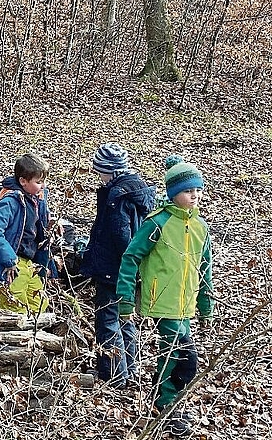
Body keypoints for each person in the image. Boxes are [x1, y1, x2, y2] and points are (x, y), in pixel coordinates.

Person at [116, 159, 214, 436]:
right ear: (173, 194)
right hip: (162, 300)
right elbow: (131, 257)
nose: (194, 195)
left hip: (186, 303)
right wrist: (125, 299)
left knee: (173, 355)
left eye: (198, 189)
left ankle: (166, 401)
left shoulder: (201, 227)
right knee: (183, 354)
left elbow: (205, 267)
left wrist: (206, 305)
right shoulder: (157, 223)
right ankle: (167, 405)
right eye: (187, 190)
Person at [79, 143, 156, 388]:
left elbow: (121, 237)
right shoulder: (137, 191)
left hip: (114, 269)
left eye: (100, 172)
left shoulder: (116, 198)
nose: (98, 178)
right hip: (130, 271)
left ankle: (114, 375)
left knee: (109, 321)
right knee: (126, 319)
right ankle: (130, 369)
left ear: (110, 171)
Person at [0, 153, 57, 315]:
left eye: (44, 181)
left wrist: (51, 223)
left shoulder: (35, 197)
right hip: (12, 261)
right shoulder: (10, 202)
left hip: (29, 261)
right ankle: (8, 334)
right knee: (15, 303)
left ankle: (33, 330)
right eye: (39, 182)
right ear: (23, 181)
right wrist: (8, 260)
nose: (44, 186)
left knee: (38, 301)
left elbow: (38, 220)